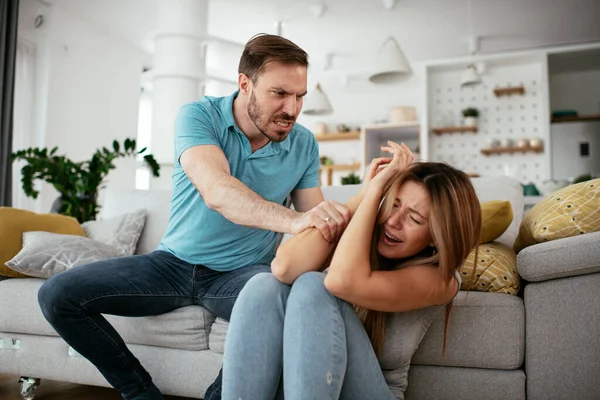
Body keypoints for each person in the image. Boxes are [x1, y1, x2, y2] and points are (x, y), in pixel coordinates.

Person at [37, 33, 351, 400]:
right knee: (57, 294)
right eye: (279, 93)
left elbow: (317, 221)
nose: (292, 109)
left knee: (291, 308)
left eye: (300, 96)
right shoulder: (199, 116)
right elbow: (218, 192)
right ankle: (141, 393)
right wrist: (296, 222)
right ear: (245, 84)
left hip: (242, 274)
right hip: (171, 264)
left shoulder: (304, 144)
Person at [221, 141, 482, 400]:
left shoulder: (440, 280)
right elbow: (284, 267)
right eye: (393, 203)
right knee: (263, 286)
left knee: (314, 285)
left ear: (437, 237)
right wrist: (366, 193)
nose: (393, 221)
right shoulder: (363, 236)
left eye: (414, 218)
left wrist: (375, 193)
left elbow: (340, 282)